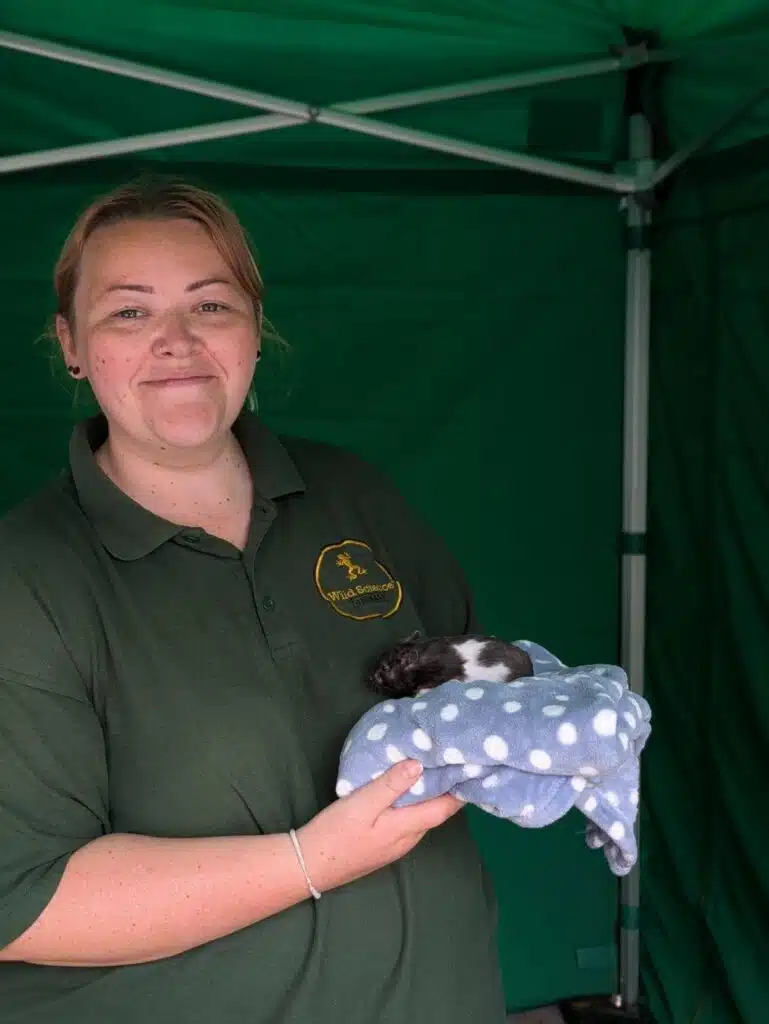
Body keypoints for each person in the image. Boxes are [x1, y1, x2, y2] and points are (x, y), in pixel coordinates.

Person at [0, 179, 507, 1023]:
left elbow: (466, 687)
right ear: (71, 345)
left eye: (210, 306)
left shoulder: (351, 494)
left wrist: (541, 720)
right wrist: (311, 860)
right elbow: (19, 903)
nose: (176, 342)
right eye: (129, 313)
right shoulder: (26, 577)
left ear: (253, 330)